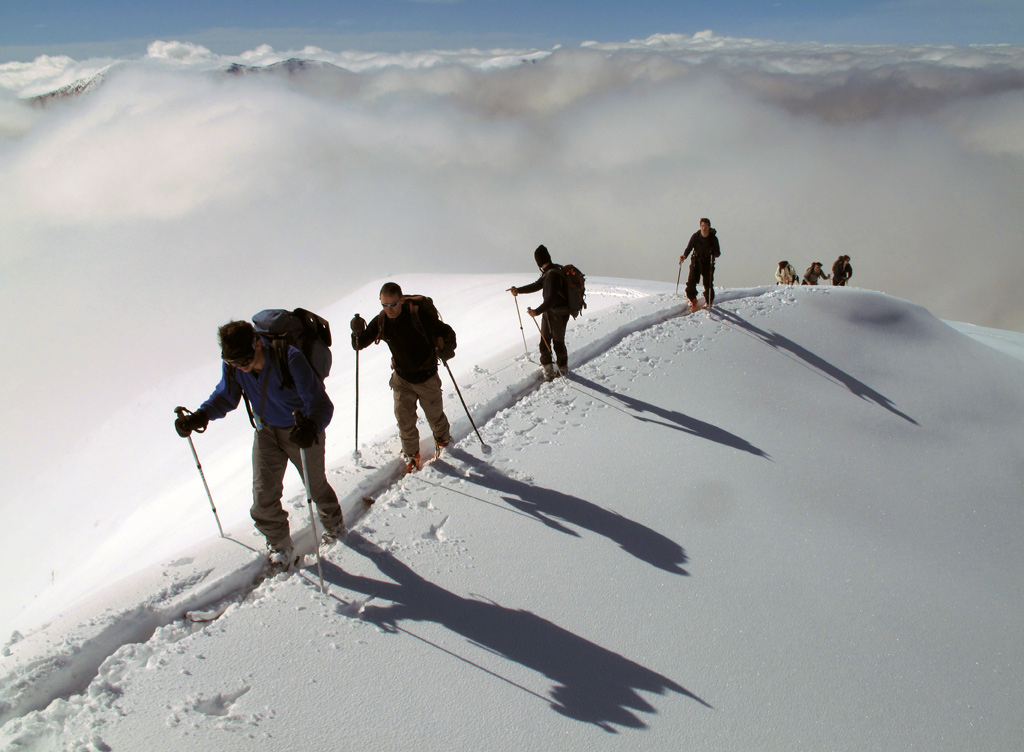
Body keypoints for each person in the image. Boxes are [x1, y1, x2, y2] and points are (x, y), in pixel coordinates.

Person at [174, 319, 345, 571]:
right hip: (266, 431)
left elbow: (321, 404)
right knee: (263, 495)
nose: (240, 368)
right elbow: (226, 395)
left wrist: (311, 427)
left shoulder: (290, 358)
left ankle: (335, 526)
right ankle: (280, 547)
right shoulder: (234, 365)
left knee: (316, 486)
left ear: (257, 343)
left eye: (244, 360)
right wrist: (200, 416)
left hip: (301, 432)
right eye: (233, 363)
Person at [351, 282, 453, 474]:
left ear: (402, 300)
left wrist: (447, 350)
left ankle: (443, 441)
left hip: (426, 377)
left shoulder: (417, 315)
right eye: (384, 305)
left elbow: (447, 332)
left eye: (393, 304)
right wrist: (356, 332)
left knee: (434, 415)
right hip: (402, 378)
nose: (389, 309)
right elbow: (360, 344)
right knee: (404, 419)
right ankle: (412, 454)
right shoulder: (381, 320)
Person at [507, 244, 571, 382]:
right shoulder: (550, 272)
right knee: (545, 342)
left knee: (557, 343)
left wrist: (537, 311)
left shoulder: (552, 274)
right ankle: (549, 369)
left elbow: (552, 299)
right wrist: (518, 290)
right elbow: (537, 285)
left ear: (538, 262)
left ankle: (562, 370)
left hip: (557, 314)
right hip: (550, 313)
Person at [680, 218, 721, 311]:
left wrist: (714, 253)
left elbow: (718, 253)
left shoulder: (713, 239)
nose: (704, 228)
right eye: (702, 226)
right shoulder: (696, 236)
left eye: (706, 226)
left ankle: (709, 301)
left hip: (708, 263)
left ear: (709, 227)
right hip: (696, 261)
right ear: (700, 226)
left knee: (708, 283)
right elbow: (689, 247)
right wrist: (684, 256)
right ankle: (692, 298)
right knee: (691, 280)